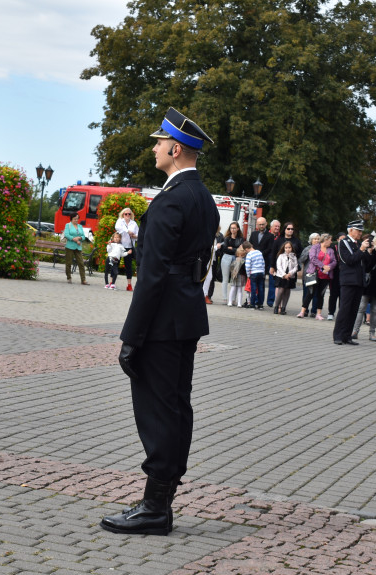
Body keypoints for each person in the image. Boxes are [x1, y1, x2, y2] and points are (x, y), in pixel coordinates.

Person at [102, 106, 217, 536]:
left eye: (158, 143)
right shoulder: (202, 197)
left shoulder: (172, 198)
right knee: (174, 408)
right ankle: (158, 501)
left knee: (159, 412)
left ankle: (155, 508)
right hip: (184, 315)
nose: (154, 148)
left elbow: (151, 275)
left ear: (174, 148)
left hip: (163, 321)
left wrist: (132, 337)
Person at [333, 220, 369, 345]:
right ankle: (338, 335)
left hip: (359, 281)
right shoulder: (343, 243)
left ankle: (347, 335)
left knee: (353, 310)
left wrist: (368, 251)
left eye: (361, 231)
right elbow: (348, 260)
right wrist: (362, 250)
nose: (360, 233)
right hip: (348, 280)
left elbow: (366, 263)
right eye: (358, 230)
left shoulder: (358, 244)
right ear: (351, 230)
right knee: (344, 308)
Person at [309, 234, 336, 320]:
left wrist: (328, 268)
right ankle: (303, 311)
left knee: (321, 294)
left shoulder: (331, 250)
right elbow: (312, 258)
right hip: (315, 273)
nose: (331, 242)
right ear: (326, 239)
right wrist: (322, 266)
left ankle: (318, 314)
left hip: (326, 275)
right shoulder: (315, 247)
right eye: (330, 239)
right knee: (311, 293)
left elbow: (334, 261)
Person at [296, 233, 320, 319]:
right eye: (315, 239)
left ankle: (314, 311)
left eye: (318, 239)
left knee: (316, 294)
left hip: (318, 274)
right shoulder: (307, 249)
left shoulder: (322, 249)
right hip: (308, 274)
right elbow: (301, 260)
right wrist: (308, 254)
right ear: (311, 240)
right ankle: (305, 310)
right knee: (307, 293)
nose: (316, 240)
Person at [115, 208, 140, 291]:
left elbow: (138, 234)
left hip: (129, 246)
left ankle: (129, 284)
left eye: (129, 214)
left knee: (128, 266)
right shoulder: (120, 221)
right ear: (123, 214)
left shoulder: (134, 223)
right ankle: (112, 282)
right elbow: (117, 228)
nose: (127, 215)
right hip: (120, 245)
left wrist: (135, 236)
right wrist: (127, 231)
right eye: (126, 214)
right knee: (116, 263)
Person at [62, 213, 88, 284]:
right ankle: (69, 277)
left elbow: (83, 236)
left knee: (81, 263)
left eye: (77, 219)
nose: (76, 220)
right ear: (71, 219)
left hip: (78, 247)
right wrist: (74, 239)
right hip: (69, 246)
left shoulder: (80, 226)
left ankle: (83, 280)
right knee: (68, 263)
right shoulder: (68, 225)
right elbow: (66, 234)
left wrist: (79, 238)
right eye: (74, 219)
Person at [273, 241, 298, 314]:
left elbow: (296, 267)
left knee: (287, 291)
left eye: (289, 247)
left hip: (290, 276)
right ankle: (276, 307)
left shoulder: (294, 256)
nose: (288, 249)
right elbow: (279, 266)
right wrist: (284, 274)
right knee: (281, 290)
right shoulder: (281, 256)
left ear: (292, 248)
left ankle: (284, 307)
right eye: (286, 248)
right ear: (284, 248)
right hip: (281, 276)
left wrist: (290, 273)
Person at [220, 221, 242, 304]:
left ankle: (233, 299)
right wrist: (235, 249)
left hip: (236, 259)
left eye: (234, 228)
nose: (232, 229)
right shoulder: (226, 238)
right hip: (226, 258)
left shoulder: (240, 239)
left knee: (235, 279)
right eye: (231, 228)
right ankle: (225, 298)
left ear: (238, 229)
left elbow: (241, 250)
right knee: (225, 279)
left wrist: (232, 248)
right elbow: (225, 249)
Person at [261, 220, 281, 308]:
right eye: (275, 226)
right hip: (264, 260)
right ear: (271, 227)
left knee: (273, 282)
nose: (277, 228)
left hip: (274, 262)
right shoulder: (266, 235)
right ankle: (259, 300)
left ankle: (270, 301)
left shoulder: (280, 237)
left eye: (278, 227)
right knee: (261, 281)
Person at [244, 240, 266, 309]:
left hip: (253, 273)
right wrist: (263, 272)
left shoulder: (249, 254)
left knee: (253, 289)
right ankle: (260, 304)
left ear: (247, 249)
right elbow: (263, 263)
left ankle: (252, 304)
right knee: (260, 289)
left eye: (245, 250)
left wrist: (248, 275)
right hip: (261, 272)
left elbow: (247, 266)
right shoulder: (259, 252)